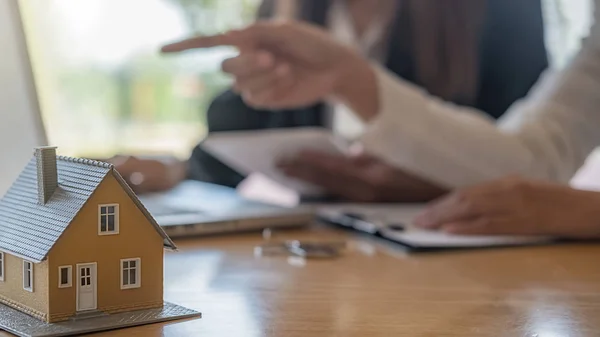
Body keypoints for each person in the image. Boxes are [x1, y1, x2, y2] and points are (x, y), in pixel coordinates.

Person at [161, 1, 600, 238]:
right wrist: (350, 79)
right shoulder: (296, 10)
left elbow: (529, 181)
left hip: (451, 243)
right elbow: (535, 158)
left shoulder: (494, 13)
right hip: (348, 239)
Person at [115, 0, 548, 202]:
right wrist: (181, 169)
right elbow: (250, 120)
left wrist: (425, 179)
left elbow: (529, 155)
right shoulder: (296, 11)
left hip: (460, 249)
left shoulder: (502, 12)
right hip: (332, 243)